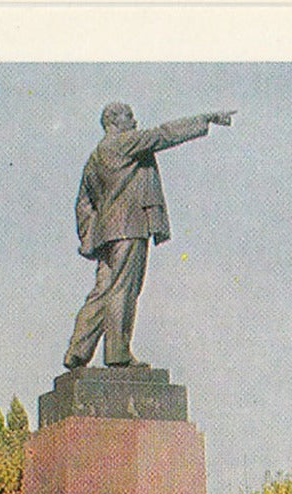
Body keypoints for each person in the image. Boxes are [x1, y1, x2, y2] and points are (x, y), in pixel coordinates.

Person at [63, 103, 236, 369]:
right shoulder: (123, 143)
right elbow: (164, 134)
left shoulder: (94, 158)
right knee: (124, 289)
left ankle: (78, 350)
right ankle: (118, 354)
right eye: (129, 116)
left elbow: (83, 203)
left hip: (106, 235)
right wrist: (205, 118)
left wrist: (89, 237)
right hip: (129, 228)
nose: (134, 121)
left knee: (103, 291)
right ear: (113, 121)